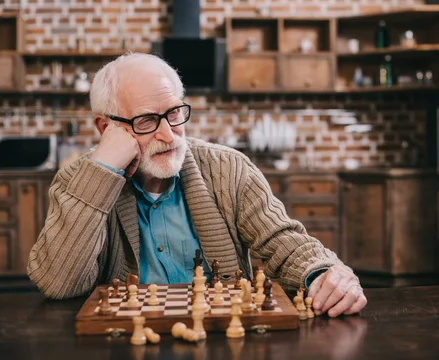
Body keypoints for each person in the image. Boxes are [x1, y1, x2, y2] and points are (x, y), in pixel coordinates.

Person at [27, 52, 366, 317]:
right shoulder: (77, 181)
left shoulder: (228, 168)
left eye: (175, 113)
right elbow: (59, 284)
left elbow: (282, 240)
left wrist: (322, 272)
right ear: (105, 127)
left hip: (222, 334)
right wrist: (102, 169)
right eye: (147, 120)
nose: (168, 134)